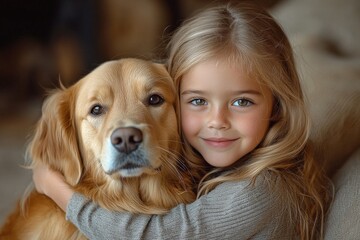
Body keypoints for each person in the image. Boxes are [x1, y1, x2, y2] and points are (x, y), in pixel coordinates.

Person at [33, 2, 332, 239]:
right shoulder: (215, 166)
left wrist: (58, 190)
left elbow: (160, 234)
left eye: (242, 102)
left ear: (277, 106)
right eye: (198, 101)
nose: (217, 120)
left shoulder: (260, 191)